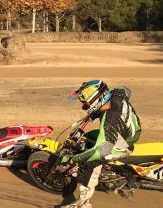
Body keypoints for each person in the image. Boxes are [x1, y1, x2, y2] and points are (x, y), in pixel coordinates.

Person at [61, 80, 142, 208]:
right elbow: (126, 90)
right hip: (131, 129)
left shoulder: (110, 123)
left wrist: (74, 159)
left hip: (124, 142)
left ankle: (83, 203)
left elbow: (101, 151)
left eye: (86, 102)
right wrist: (95, 113)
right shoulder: (117, 94)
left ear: (96, 100)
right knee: (89, 137)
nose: (85, 105)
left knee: (91, 164)